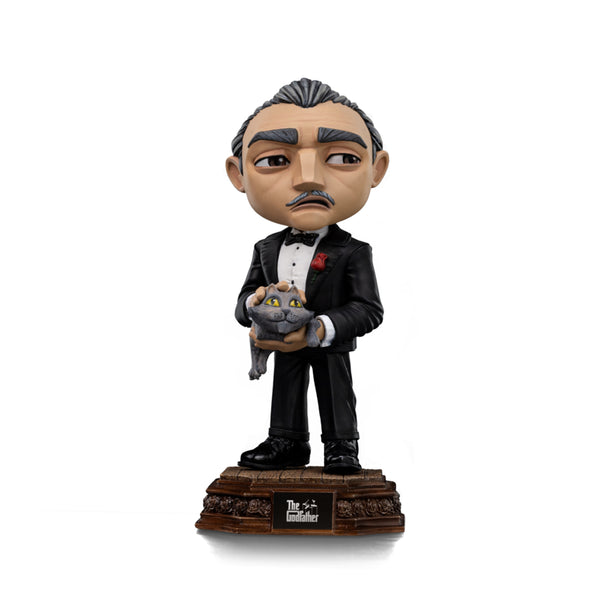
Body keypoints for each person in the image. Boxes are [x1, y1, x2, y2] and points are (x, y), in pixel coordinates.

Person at [226, 78, 389, 474]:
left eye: (343, 158)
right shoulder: (266, 248)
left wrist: (319, 328)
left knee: (335, 388)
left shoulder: (353, 251)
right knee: (286, 384)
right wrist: (254, 306)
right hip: (280, 338)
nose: (308, 178)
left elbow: (369, 309)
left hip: (329, 344)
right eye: (274, 160)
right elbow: (244, 300)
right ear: (238, 175)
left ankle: (341, 444)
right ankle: (286, 439)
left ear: (376, 168)